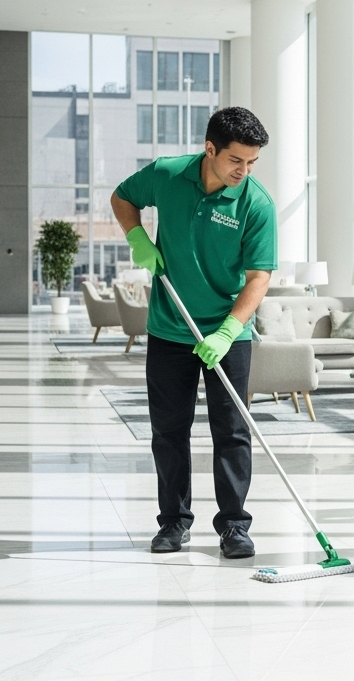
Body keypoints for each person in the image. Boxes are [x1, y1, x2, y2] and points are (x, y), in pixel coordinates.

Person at [111, 107, 277, 559]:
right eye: (236, 160)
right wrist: (137, 237)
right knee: (168, 431)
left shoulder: (256, 204)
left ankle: (234, 526)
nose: (244, 171)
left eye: (252, 162)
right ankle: (173, 522)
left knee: (233, 432)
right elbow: (122, 197)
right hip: (170, 328)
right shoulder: (167, 175)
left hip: (228, 333)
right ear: (210, 149)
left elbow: (259, 277)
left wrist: (228, 331)